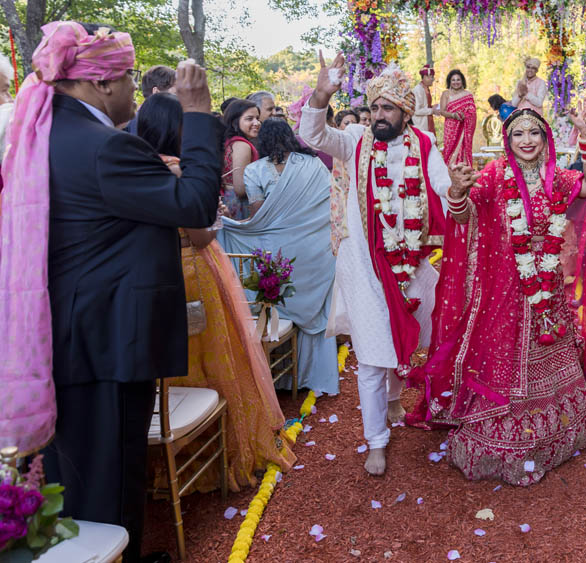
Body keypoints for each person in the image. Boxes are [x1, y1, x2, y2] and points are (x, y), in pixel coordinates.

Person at [0, 22, 221, 563]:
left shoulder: (46, 135)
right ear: (100, 85)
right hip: (106, 343)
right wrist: (195, 112)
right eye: (127, 79)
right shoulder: (103, 148)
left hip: (71, 334)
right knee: (108, 488)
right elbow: (194, 205)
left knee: (80, 479)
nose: (135, 92)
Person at [408, 102, 586, 485]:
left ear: (545, 138)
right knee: (501, 353)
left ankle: (557, 429)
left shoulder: (555, 176)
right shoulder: (494, 174)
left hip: (548, 287)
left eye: (534, 133)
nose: (526, 140)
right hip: (505, 287)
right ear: (507, 140)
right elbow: (463, 215)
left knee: (551, 342)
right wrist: (456, 190)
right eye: (518, 134)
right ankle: (503, 434)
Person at [135, 93, 297, 491]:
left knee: (180, 366)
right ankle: (219, 452)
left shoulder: (136, 169)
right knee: (218, 357)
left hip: (157, 271)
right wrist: (213, 220)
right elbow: (197, 234)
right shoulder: (176, 172)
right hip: (194, 269)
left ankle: (171, 459)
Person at [299, 55, 452, 476]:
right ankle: (376, 441)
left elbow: (439, 181)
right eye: (375, 108)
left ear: (404, 111)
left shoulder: (423, 143)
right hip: (364, 265)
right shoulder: (353, 139)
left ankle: (393, 399)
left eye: (388, 108)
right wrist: (322, 94)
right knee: (371, 355)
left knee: (410, 332)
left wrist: (455, 187)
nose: (379, 116)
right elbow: (312, 135)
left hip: (413, 262)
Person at [218, 119, 341, 396]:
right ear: (290, 138)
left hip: (277, 252)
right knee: (315, 305)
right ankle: (310, 375)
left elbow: (260, 218)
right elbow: (330, 206)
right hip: (313, 250)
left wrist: (229, 223)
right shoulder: (313, 166)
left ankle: (276, 373)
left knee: (276, 295)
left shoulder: (254, 171)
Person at [220, 99, 261, 220]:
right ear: (235, 122)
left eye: (257, 118)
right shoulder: (242, 145)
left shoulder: (230, 142)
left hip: (228, 200)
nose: (257, 123)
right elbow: (240, 189)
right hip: (239, 205)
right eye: (249, 119)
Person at [434, 68, 476, 165]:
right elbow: (442, 111)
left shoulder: (468, 95)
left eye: (458, 79)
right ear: (449, 81)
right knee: (449, 149)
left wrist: (464, 115)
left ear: (462, 81)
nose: (455, 82)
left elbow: (472, 112)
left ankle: (464, 172)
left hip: (464, 128)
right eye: (453, 80)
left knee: (463, 147)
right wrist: (454, 115)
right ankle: (450, 173)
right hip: (451, 127)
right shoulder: (446, 94)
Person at [411, 64, 436, 134]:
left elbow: (425, 106)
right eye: (429, 77)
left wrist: (433, 107)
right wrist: (432, 110)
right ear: (423, 77)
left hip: (427, 122)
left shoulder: (425, 89)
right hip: (421, 126)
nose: (432, 79)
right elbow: (417, 111)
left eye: (432, 77)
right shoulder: (418, 90)